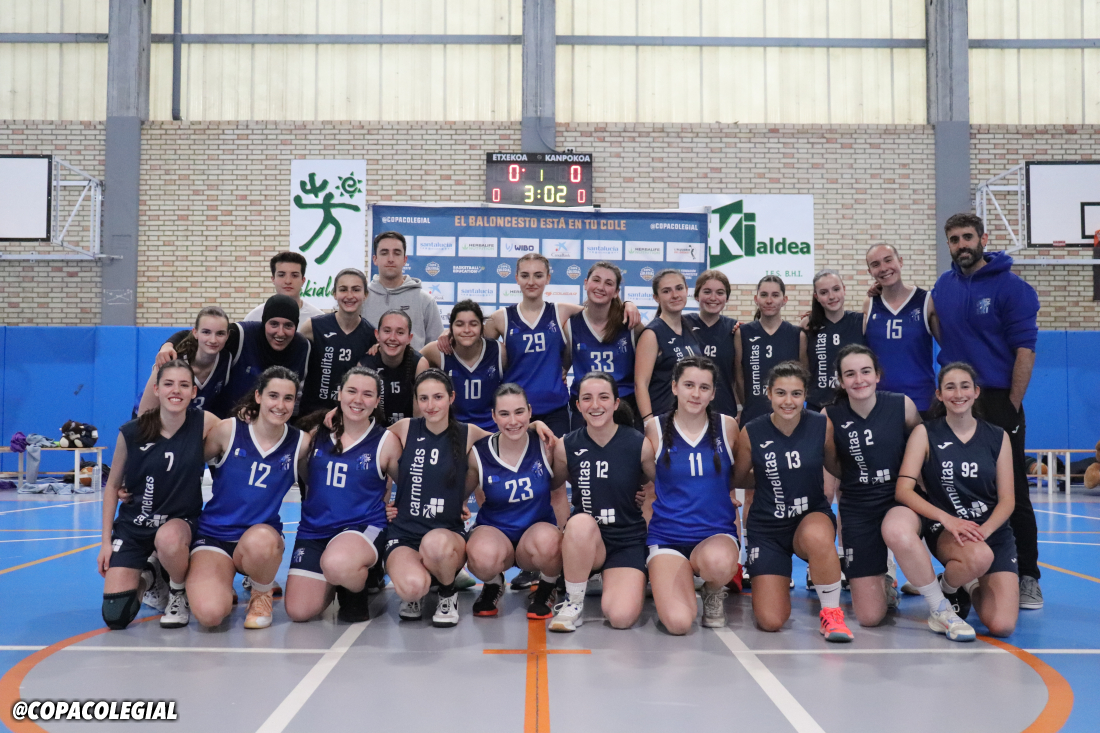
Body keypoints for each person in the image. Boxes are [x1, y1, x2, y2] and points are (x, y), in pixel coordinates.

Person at [931, 213, 1042, 610]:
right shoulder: (943, 286)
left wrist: (1011, 405)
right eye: (954, 239)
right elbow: (936, 323)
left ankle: (1028, 575)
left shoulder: (1013, 288)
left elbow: (1025, 351)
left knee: (1013, 489)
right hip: (954, 397)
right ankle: (956, 571)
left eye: (967, 237)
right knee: (943, 484)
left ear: (982, 239)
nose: (961, 245)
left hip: (996, 398)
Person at [825, 345, 975, 638]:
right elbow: (832, 463)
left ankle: (940, 608)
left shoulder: (901, 405)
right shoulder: (830, 416)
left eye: (866, 371)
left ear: (878, 375)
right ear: (841, 381)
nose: (859, 379)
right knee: (869, 617)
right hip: (858, 508)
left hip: (898, 500)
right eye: (850, 374)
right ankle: (885, 584)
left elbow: (924, 451)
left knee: (897, 530)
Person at [893, 362, 1020, 637]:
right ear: (939, 394)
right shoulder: (925, 433)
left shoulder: (998, 436)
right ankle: (951, 588)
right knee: (980, 556)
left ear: (976, 392)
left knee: (1002, 625)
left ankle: (963, 584)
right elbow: (903, 490)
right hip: (948, 528)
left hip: (991, 531)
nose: (958, 394)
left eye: (965, 387)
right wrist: (947, 519)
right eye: (950, 387)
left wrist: (985, 531)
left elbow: (1008, 499)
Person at [732, 361, 855, 643]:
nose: (788, 401)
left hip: (809, 517)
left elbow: (838, 467)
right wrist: (770, 476)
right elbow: (737, 478)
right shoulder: (752, 431)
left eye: (796, 394)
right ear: (768, 394)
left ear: (805, 395)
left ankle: (832, 614)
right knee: (770, 621)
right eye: (781, 393)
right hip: (767, 528)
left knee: (817, 534)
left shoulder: (821, 425)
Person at [99, 360, 220, 630]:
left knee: (168, 538)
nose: (176, 390)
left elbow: (238, 436)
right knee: (116, 615)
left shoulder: (204, 423)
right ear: (156, 389)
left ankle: (177, 592)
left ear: (193, 392)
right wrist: (106, 542)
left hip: (179, 524)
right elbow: (112, 486)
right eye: (168, 384)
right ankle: (150, 576)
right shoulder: (132, 431)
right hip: (135, 526)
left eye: (184, 385)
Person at [187, 367, 309, 630]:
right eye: (273, 396)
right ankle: (220, 582)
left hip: (259, 540)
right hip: (215, 536)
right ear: (258, 396)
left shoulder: (300, 443)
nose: (280, 405)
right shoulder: (228, 430)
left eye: (288, 398)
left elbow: (320, 487)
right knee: (210, 615)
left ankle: (261, 593)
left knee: (262, 540)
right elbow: (187, 467)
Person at [285, 367, 395, 624]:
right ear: (339, 394)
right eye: (352, 391)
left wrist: (397, 506)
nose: (358, 400)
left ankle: (355, 586)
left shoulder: (386, 440)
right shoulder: (316, 434)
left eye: (367, 394)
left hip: (361, 527)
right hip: (314, 530)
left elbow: (412, 482)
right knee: (299, 611)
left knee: (338, 563)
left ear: (377, 401)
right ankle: (338, 577)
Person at [549, 372, 656, 632]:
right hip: (587, 540)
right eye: (587, 398)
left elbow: (659, 487)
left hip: (626, 540)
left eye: (603, 397)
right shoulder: (566, 445)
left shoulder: (639, 444)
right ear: (578, 405)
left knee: (621, 618)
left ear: (616, 403)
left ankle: (620, 579)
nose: (595, 405)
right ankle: (573, 602)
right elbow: (553, 487)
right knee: (580, 523)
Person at [645, 356, 742, 634]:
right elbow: (649, 482)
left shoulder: (727, 427)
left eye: (704, 387)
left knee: (717, 563)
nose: (696, 394)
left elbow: (738, 474)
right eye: (689, 385)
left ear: (713, 393)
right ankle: (677, 579)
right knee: (678, 624)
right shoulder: (654, 428)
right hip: (668, 537)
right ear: (674, 387)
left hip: (715, 535)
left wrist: (721, 496)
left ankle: (713, 590)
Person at [467, 384, 568, 620]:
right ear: (493, 416)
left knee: (551, 543)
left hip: (536, 533)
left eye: (519, 412)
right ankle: (493, 583)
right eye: (504, 414)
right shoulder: (478, 453)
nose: (513, 421)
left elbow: (560, 492)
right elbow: (464, 493)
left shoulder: (547, 445)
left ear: (530, 411)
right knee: (480, 554)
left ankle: (547, 586)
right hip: (496, 531)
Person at [157, 295, 312, 415]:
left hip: (271, 424)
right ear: (264, 322)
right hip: (226, 423)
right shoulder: (243, 334)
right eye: (274, 324)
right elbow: (201, 333)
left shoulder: (303, 348)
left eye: (288, 326)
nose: (280, 332)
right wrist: (168, 345)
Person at [862, 244, 940, 413]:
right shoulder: (869, 304)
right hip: (879, 403)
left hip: (922, 402)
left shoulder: (927, 301)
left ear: (900, 261)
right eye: (875, 264)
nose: (883, 268)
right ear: (870, 271)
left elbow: (950, 346)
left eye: (888, 260)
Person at [566, 262, 645, 430]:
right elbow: (563, 365)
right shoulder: (570, 324)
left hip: (624, 406)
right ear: (586, 283)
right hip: (584, 405)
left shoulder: (631, 324)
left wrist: (629, 303)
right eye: (596, 280)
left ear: (616, 292)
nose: (601, 287)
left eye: (608, 283)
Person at [298, 268, 377, 416]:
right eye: (343, 289)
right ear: (334, 293)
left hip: (351, 415)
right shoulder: (312, 327)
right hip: (312, 415)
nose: (349, 295)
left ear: (365, 295)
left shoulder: (371, 335)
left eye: (356, 290)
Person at [421, 300, 504, 432]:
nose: (466, 330)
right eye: (459, 324)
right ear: (451, 328)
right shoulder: (436, 352)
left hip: (491, 431)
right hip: (452, 432)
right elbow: (409, 361)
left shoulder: (499, 351)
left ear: (482, 328)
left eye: (473, 324)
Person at [137, 306, 232, 417]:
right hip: (152, 420)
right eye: (206, 332)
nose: (213, 340)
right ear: (195, 333)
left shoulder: (227, 359)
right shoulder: (171, 360)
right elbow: (143, 415)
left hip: (191, 424)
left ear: (227, 335)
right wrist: (167, 345)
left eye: (220, 333)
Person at [634, 269, 701, 425]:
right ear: (656, 298)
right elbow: (640, 384)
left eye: (679, 288)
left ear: (686, 290)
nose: (675, 295)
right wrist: (649, 422)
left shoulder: (690, 327)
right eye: (666, 291)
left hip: (686, 419)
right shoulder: (652, 334)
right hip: (660, 418)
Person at [734, 275, 801, 426]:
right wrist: (743, 405)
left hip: (787, 414)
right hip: (753, 413)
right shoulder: (743, 333)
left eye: (775, 295)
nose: (769, 300)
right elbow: (738, 376)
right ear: (756, 299)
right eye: (764, 295)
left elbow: (803, 378)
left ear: (784, 300)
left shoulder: (797, 335)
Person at [363, 232, 443, 351]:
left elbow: (437, 349)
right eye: (384, 253)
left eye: (397, 253)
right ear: (375, 259)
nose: (390, 259)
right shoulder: (362, 299)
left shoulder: (425, 300)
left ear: (405, 260)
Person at [802, 269, 865, 412]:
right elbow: (804, 367)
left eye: (836, 289)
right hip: (817, 404)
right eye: (824, 292)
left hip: (853, 403)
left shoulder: (861, 322)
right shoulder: (807, 325)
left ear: (844, 289)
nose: (831, 296)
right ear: (816, 296)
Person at [357, 310, 430, 424]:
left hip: (409, 430)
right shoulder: (365, 364)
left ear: (409, 338)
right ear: (377, 335)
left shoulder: (419, 364)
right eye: (387, 331)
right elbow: (360, 411)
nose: (392, 337)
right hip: (376, 431)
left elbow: (420, 416)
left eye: (400, 333)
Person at [684, 270, 739, 419]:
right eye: (707, 292)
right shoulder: (682, 325)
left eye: (720, 293)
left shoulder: (735, 330)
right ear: (697, 295)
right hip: (686, 408)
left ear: (727, 298)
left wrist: (740, 406)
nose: (713, 298)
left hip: (724, 409)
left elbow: (739, 376)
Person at [243, 251, 324, 328]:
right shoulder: (254, 317)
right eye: (281, 275)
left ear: (303, 280)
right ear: (273, 279)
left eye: (294, 275)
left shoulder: (318, 319)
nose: (288, 281)